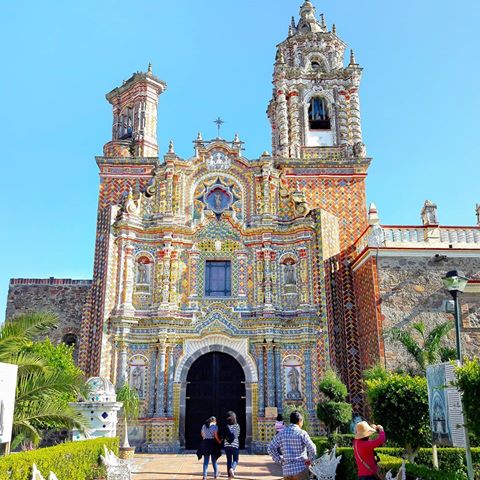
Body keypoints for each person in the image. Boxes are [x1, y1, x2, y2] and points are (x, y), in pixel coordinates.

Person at [268, 410, 317, 480]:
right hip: (301, 469)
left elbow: (270, 448)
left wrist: (280, 460)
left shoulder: (282, 433)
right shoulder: (302, 433)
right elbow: (313, 448)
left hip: (287, 471)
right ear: (300, 421)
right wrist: (309, 460)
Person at [222, 411, 240, 478]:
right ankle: (232, 469)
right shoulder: (237, 426)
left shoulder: (226, 426)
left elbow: (224, 436)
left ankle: (229, 475)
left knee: (228, 460)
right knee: (235, 459)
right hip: (235, 445)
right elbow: (237, 435)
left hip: (227, 445)